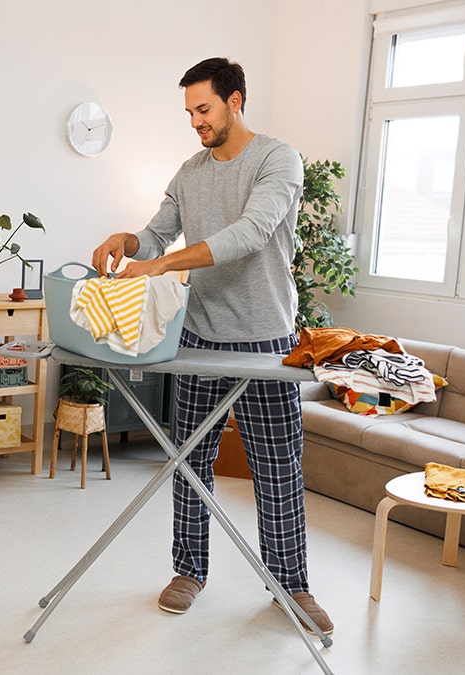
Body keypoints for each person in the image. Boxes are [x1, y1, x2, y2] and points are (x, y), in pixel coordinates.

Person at [90, 57, 332, 635]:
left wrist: (161, 265)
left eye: (204, 109)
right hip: (197, 337)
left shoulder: (277, 160)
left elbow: (250, 233)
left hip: (266, 341)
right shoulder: (190, 171)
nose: (195, 121)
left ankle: (291, 584)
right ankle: (188, 572)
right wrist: (123, 240)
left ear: (235, 101)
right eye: (189, 112)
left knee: (277, 471)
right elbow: (152, 236)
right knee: (188, 461)